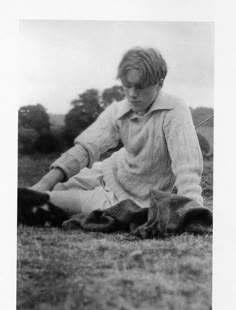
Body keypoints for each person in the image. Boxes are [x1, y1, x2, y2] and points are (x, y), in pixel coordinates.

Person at [32, 47, 204, 216]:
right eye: (127, 86)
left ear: (159, 83)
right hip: (109, 171)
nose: (132, 94)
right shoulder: (118, 110)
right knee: (48, 189)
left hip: (135, 198)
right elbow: (86, 148)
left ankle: (39, 204)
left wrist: (192, 209)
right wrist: (43, 183)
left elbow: (187, 166)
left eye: (140, 87)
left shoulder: (175, 110)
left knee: (51, 201)